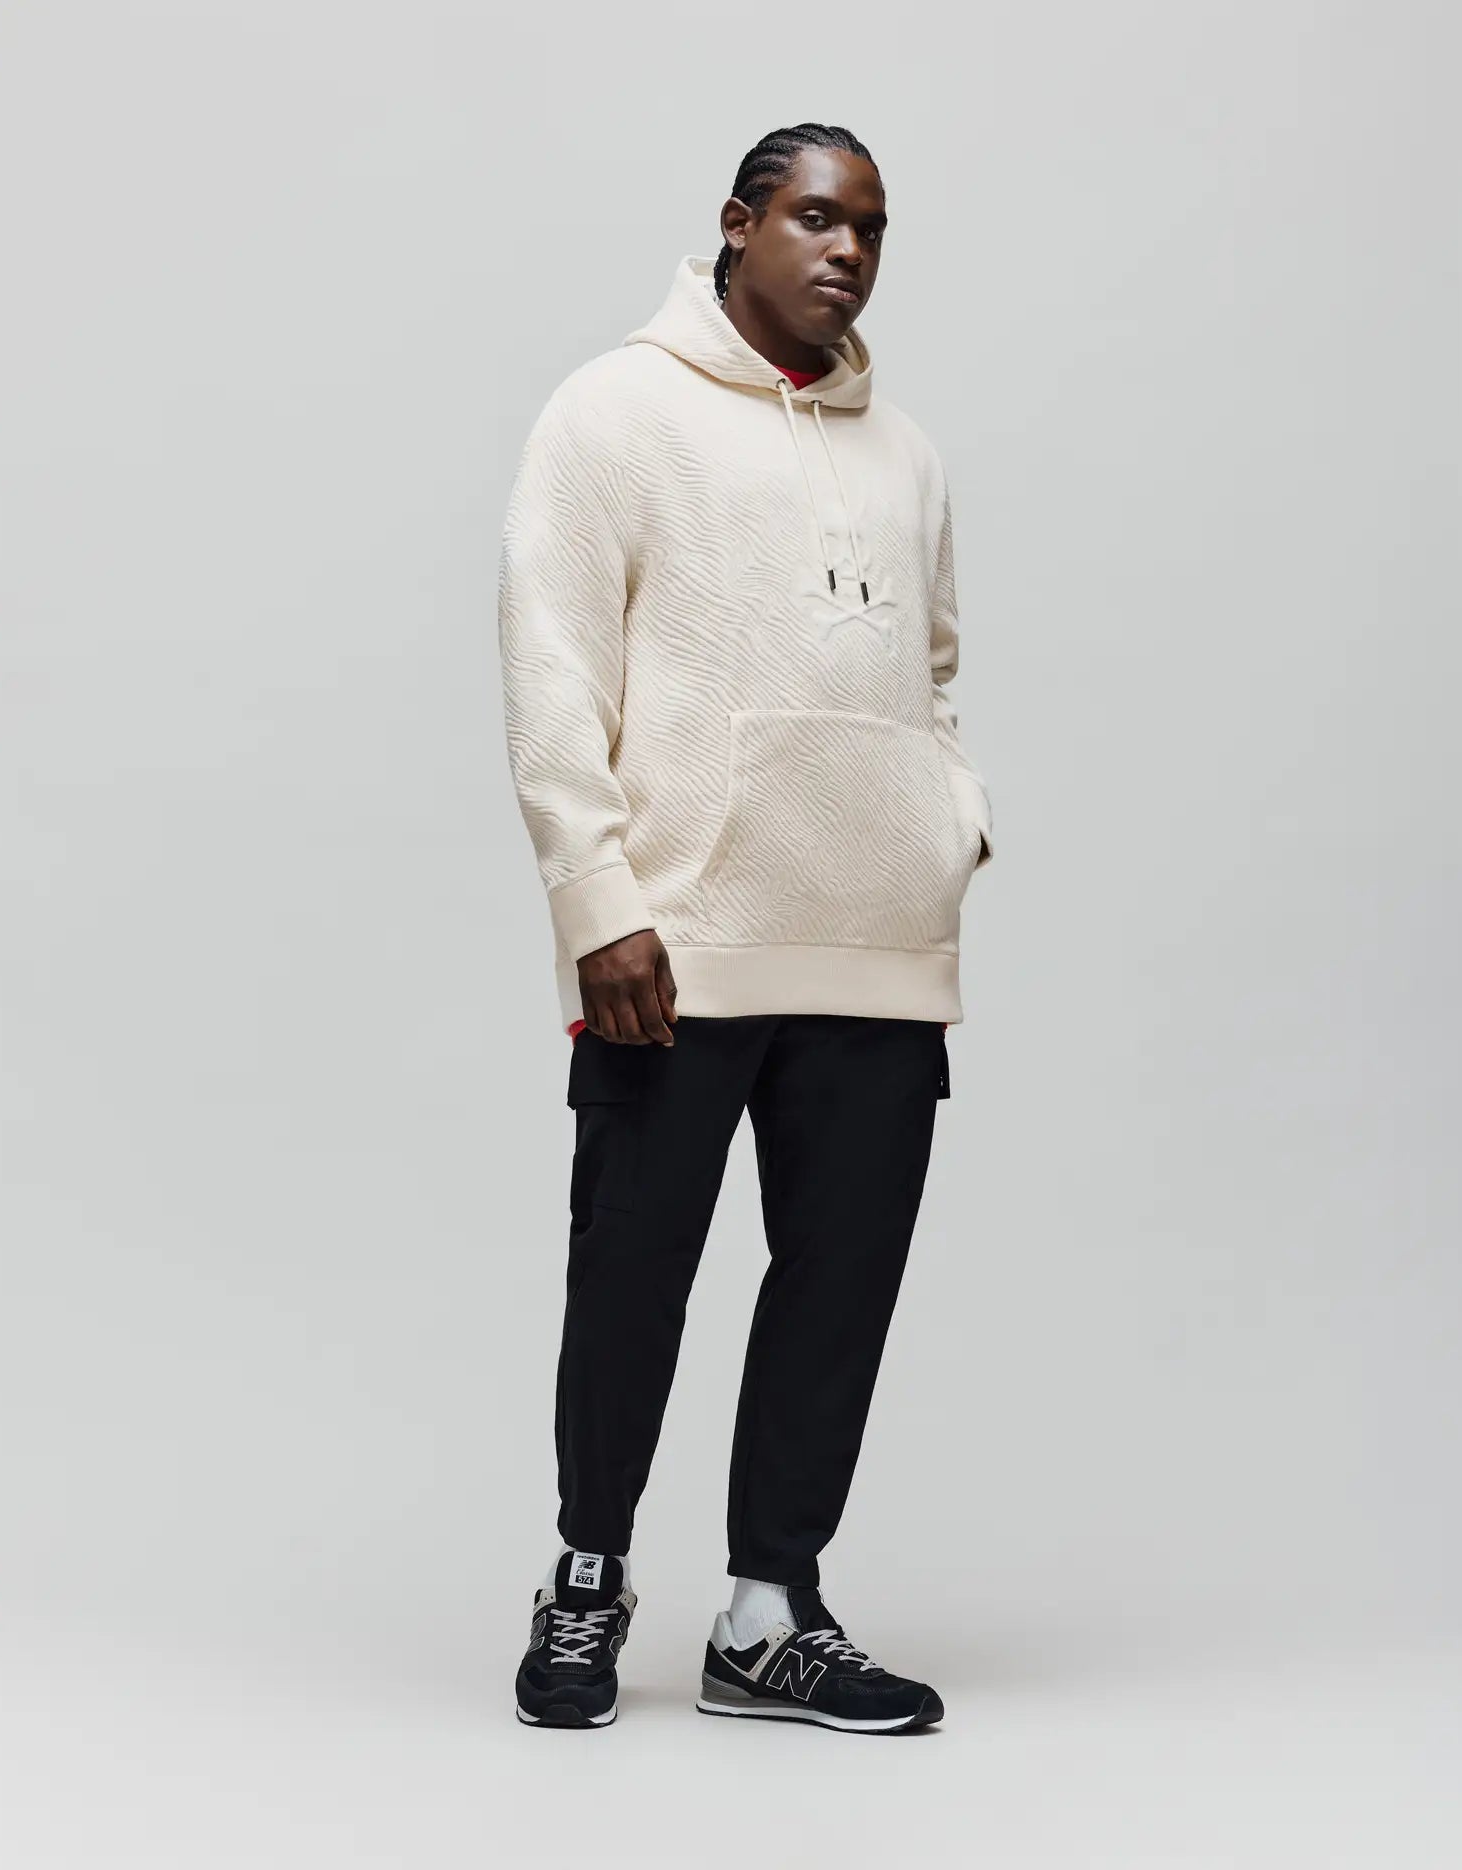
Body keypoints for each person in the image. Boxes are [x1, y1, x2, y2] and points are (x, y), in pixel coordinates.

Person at [497, 122, 994, 1733]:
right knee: (630, 1276)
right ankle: (587, 1575)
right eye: (816, 217)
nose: (846, 251)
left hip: (877, 941)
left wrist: (947, 823)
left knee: (840, 1285)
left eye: (872, 227)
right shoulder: (614, 411)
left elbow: (930, 669)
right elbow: (553, 668)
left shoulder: (906, 454)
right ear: (738, 222)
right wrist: (599, 903)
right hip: (675, 941)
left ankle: (771, 1615)